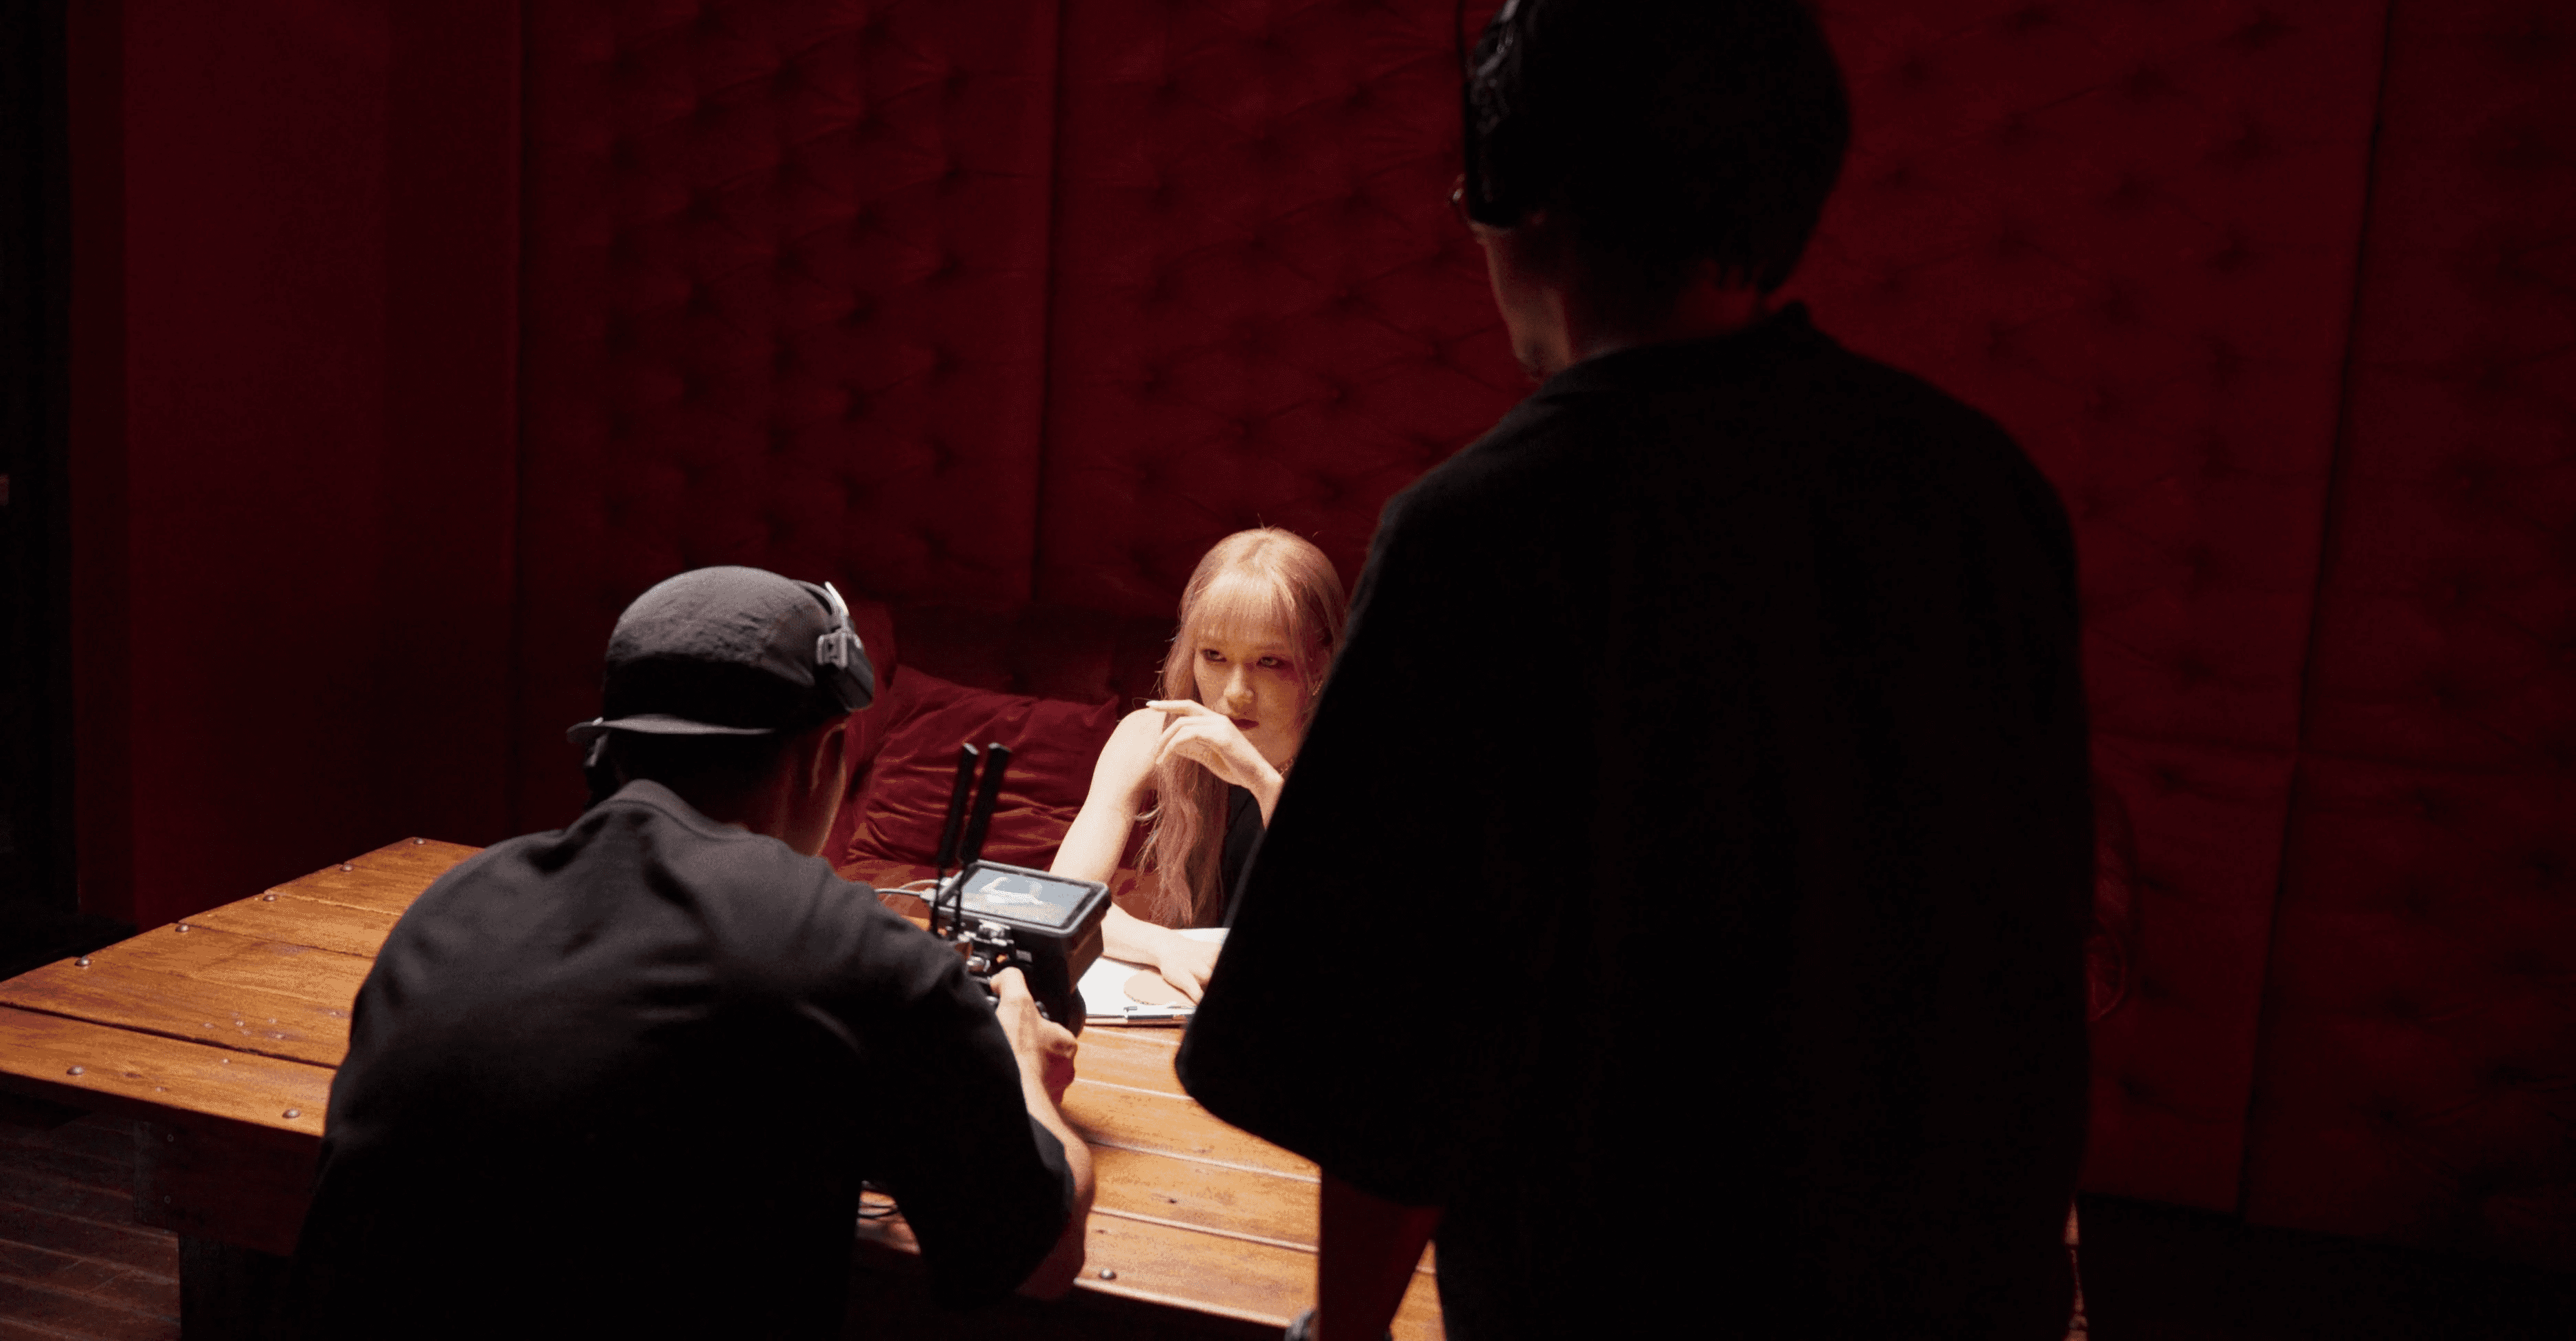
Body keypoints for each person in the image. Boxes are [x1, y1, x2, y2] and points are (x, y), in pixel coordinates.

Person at [1177, 3, 2091, 1340]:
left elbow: (1397, 1039)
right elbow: (2035, 949)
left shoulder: (1486, 532)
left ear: (1514, 205)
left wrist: (1351, 1329)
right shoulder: (1984, 490)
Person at [290, 568, 1094, 1340]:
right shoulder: (845, 943)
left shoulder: (452, 900)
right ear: (826, 754)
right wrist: (1022, 1067)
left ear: (614, 746)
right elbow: (1043, 1261)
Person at [1050, 528, 1346, 1001]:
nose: (1235, 693)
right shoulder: (1150, 735)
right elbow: (1062, 899)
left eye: (1269, 661)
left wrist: (1260, 780)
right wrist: (1164, 946)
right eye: (1214, 656)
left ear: (1324, 658)